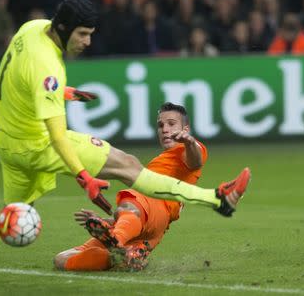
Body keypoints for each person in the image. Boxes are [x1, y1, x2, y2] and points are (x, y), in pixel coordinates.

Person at [0, 0, 251, 286]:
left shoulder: (31, 29)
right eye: (83, 34)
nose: (88, 42)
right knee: (128, 166)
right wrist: (84, 176)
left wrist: (64, 92)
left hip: (8, 147)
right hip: (40, 143)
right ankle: (216, 199)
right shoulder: (49, 66)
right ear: (63, 28)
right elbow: (58, 136)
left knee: (12, 212)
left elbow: (19, 82)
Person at [54, 103, 250, 271]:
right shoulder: (159, 162)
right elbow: (136, 214)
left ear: (186, 129)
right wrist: (105, 220)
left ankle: (117, 239)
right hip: (152, 228)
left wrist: (189, 142)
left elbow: (196, 160)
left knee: (131, 200)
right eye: (160, 125)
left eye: (171, 124)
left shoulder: (187, 149)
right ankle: (123, 256)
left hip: (154, 208)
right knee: (63, 259)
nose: (164, 129)